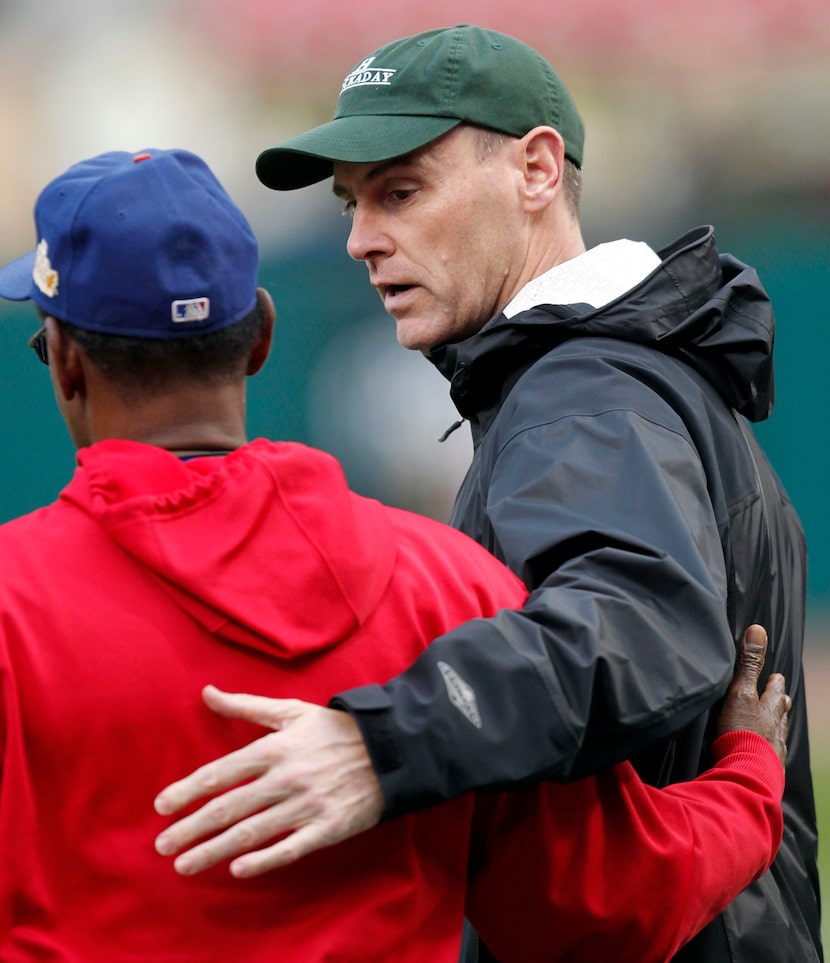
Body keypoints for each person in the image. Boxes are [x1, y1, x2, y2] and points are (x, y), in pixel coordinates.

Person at [0, 149, 790, 962]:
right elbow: (609, 907)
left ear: (63, 359)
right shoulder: (450, 587)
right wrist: (750, 777)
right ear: (263, 336)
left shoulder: (13, 603)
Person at [153, 24, 821, 963]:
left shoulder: (581, 391)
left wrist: (383, 743)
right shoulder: (621, 373)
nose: (357, 239)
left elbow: (631, 624)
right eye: (351, 203)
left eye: (401, 191)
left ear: (538, 169)